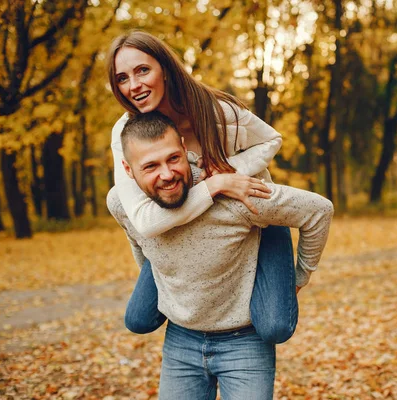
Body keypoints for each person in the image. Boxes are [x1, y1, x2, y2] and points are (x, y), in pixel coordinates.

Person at [107, 112, 333, 398]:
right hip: (181, 340)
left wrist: (300, 276)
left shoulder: (235, 196)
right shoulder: (121, 204)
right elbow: (139, 243)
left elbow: (319, 211)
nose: (167, 174)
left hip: (244, 344)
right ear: (128, 170)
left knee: (277, 324)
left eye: (173, 158)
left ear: (183, 146)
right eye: (150, 166)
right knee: (137, 319)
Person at [107, 30, 297, 343]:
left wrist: (231, 172)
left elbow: (272, 138)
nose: (134, 85)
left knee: (276, 326)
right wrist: (216, 183)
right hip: (178, 226)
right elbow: (141, 220)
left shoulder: (215, 110)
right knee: (139, 318)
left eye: (143, 70)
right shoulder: (126, 132)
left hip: (253, 215)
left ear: (165, 69)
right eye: (123, 78)